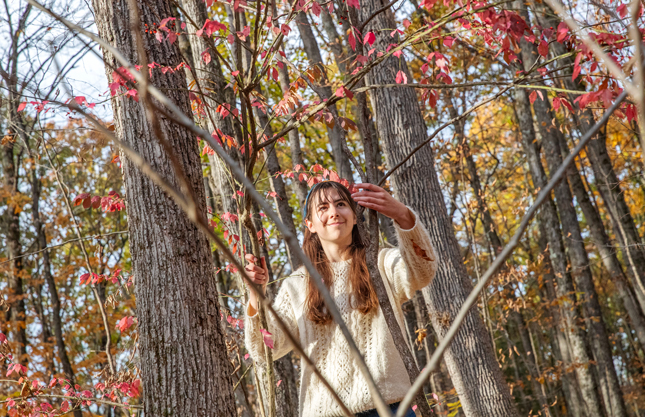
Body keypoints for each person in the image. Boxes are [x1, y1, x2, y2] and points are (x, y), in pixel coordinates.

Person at [244, 181, 438, 417]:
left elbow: (423, 270)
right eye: (323, 208)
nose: (334, 212)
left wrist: (401, 214)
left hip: (391, 408)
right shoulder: (296, 285)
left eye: (341, 204)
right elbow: (265, 348)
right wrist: (256, 296)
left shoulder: (381, 264)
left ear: (355, 217)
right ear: (310, 225)